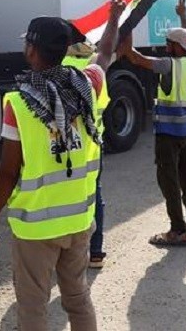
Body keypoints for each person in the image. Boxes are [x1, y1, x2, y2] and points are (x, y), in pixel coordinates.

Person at [0, 0, 125, 331]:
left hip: (36, 228)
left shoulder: (19, 103)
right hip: (79, 220)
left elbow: (7, 172)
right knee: (78, 298)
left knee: (33, 307)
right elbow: (105, 52)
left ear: (31, 50)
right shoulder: (88, 85)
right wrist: (114, 18)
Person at [120, 0, 186, 246]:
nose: (166, 47)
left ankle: (178, 230)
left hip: (169, 132)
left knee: (169, 180)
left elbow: (135, 58)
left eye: (169, 44)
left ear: (177, 47)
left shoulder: (169, 65)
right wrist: (182, 16)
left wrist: (128, 26)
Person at [61, 41, 110, 269]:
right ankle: (96, 253)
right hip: (93, 146)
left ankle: (67, 252)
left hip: (66, 146)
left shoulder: (60, 68)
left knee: (65, 197)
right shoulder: (95, 71)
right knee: (94, 196)